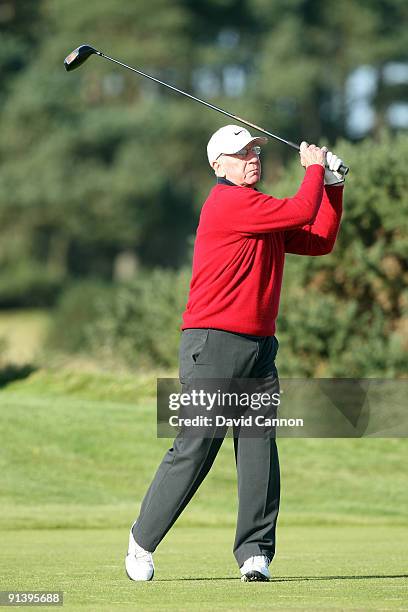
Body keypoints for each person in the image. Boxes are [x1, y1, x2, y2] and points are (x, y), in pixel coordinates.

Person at [125, 125, 344, 582]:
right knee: (196, 447)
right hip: (212, 344)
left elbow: (320, 238)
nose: (252, 159)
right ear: (217, 164)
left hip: (259, 350)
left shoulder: (261, 213)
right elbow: (304, 206)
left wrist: (334, 188)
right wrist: (316, 169)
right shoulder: (228, 203)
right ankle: (141, 542)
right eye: (241, 153)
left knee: (259, 447)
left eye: (255, 151)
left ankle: (254, 554)